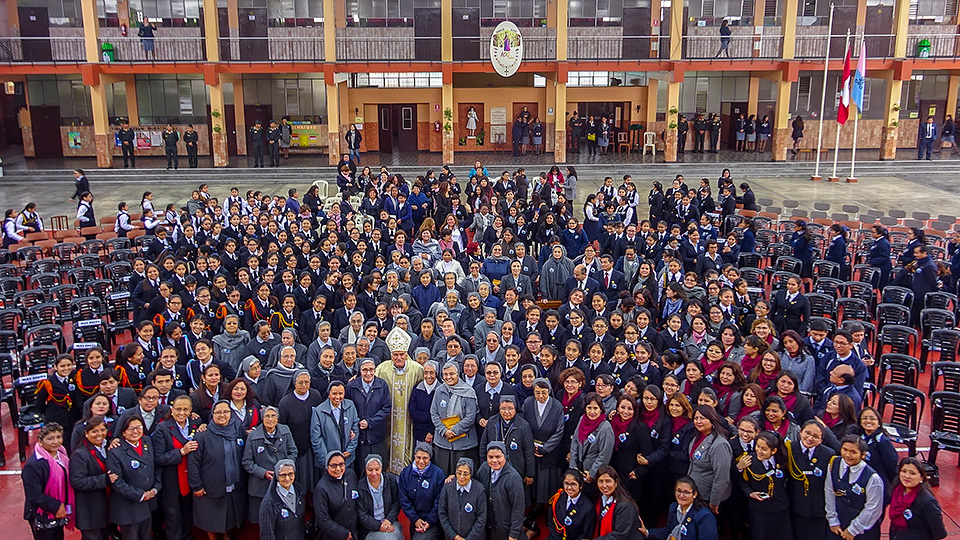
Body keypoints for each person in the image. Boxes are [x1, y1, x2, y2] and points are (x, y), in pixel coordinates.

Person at [189, 400, 247, 538]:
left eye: (226, 412)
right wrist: (196, 485)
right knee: (210, 518)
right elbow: (193, 463)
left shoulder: (237, 429)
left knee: (228, 516)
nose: (222, 415)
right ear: (212, 414)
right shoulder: (202, 435)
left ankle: (227, 536)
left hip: (233, 484)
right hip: (209, 487)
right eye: (218, 412)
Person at [153, 394, 202, 540]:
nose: (181, 413)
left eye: (185, 409)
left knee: (187, 515)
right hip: (172, 481)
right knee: (173, 518)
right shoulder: (162, 428)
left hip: (190, 479)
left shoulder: (197, 422)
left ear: (191, 410)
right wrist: (181, 452)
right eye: (178, 409)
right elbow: (158, 458)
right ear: (172, 410)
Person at [376, 327, 424, 474]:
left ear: (406, 354)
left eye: (402, 354)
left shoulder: (417, 369)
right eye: (395, 355)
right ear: (391, 355)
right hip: (389, 419)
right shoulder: (382, 369)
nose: (398, 358)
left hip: (409, 419)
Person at [107, 415, 160, 540]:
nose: (135, 431)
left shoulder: (147, 441)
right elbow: (117, 481)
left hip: (148, 502)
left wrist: (156, 488)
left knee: (146, 536)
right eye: (131, 429)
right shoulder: (115, 451)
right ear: (123, 432)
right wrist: (140, 495)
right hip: (128, 506)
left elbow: (156, 466)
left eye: (139, 427)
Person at [241, 405, 297, 524]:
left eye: (273, 416)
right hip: (260, 484)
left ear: (277, 418)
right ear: (262, 418)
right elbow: (247, 461)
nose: (270, 419)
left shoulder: (285, 431)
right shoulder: (253, 436)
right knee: (261, 520)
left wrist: (284, 469)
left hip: (283, 482)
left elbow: (293, 452)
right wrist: (263, 473)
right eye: (267, 416)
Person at [825, 435, 884, 540]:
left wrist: (853, 530)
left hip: (862, 529)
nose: (848, 455)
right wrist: (832, 520)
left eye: (853, 452)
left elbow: (873, 508)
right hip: (838, 523)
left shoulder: (873, 478)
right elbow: (829, 491)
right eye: (845, 450)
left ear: (863, 455)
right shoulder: (833, 464)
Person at [22, 423, 73, 540]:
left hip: (58, 513)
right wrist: (57, 506)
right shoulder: (33, 465)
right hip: (42, 514)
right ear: (40, 441)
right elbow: (34, 495)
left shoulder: (62, 455)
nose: (55, 441)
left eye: (58, 437)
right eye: (50, 439)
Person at [431, 361, 479, 475]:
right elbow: (434, 413)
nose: (449, 377)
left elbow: (470, 417)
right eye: (445, 374)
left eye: (452, 374)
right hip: (442, 442)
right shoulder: (439, 390)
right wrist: (444, 431)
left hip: (463, 444)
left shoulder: (468, 392)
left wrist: (454, 430)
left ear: (458, 374)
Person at [70, 417, 113, 540]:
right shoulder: (80, 454)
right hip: (90, 510)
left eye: (102, 430)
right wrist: (105, 479)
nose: (99, 434)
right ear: (86, 433)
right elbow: (77, 481)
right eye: (94, 431)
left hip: (106, 507)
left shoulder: (108, 447)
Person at [888, 457, 947, 540]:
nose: (907, 476)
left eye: (912, 473)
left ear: (921, 478)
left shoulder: (927, 501)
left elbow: (939, 533)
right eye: (904, 471)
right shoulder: (896, 494)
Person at [687, 404, 732, 514]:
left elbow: (722, 477)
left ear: (712, 420)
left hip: (708, 497)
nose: (698, 421)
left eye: (702, 418)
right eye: (696, 418)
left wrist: (714, 502)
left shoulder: (719, 444)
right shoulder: (697, 437)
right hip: (695, 492)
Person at [644, 476, 719, 540]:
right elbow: (668, 531)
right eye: (679, 491)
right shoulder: (673, 507)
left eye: (686, 492)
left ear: (694, 494)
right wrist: (646, 532)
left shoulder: (705, 516)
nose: (681, 495)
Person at [398, 443, 445, 540]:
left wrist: (430, 521)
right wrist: (415, 519)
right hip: (415, 519)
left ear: (430, 458)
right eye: (418, 457)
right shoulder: (405, 473)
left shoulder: (438, 474)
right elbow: (404, 499)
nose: (421, 461)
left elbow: (440, 501)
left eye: (425, 458)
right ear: (414, 456)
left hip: (433, 520)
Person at [310, 380, 360, 470]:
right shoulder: (319, 411)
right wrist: (327, 459)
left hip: (347, 460)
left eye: (340, 393)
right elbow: (316, 438)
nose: (337, 397)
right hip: (328, 462)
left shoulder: (350, 406)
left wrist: (350, 450)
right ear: (329, 394)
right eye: (334, 394)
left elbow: (355, 429)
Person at [569, 392, 614, 488]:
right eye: (589, 408)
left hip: (592, 474)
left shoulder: (605, 428)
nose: (592, 412)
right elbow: (575, 441)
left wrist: (592, 473)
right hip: (579, 469)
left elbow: (604, 455)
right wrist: (573, 468)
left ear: (601, 409)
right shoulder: (582, 419)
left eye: (595, 408)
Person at [313, 450, 359, 540]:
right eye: (334, 466)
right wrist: (343, 534)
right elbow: (322, 518)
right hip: (335, 536)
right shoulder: (321, 488)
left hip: (355, 532)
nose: (338, 469)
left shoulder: (350, 475)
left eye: (341, 464)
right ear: (327, 467)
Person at [438, 457, 487, 540]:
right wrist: (453, 536)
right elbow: (442, 513)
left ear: (471, 474)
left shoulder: (479, 490)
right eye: (459, 473)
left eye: (466, 474)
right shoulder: (447, 487)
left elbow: (481, 518)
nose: (461, 477)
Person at [357, 454, 404, 540]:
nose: (374, 473)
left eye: (377, 469)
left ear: (381, 468)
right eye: (370, 470)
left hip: (390, 521)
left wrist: (388, 520)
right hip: (370, 528)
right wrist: (380, 526)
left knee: (398, 534)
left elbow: (397, 502)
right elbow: (362, 515)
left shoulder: (390, 479)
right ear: (365, 469)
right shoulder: (360, 486)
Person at [257, 459, 306, 540]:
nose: (287, 478)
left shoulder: (299, 492)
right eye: (283, 475)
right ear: (277, 476)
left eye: (290, 474)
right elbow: (267, 534)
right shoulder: (268, 503)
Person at [592, 466, 644, 539]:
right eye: (600, 481)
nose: (604, 485)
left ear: (616, 483)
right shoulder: (600, 501)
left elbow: (620, 535)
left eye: (608, 481)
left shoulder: (625, 506)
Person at [546, 469, 596, 540]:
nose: (569, 488)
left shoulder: (588, 508)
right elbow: (551, 521)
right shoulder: (558, 498)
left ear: (581, 486)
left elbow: (586, 534)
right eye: (566, 483)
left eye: (573, 484)